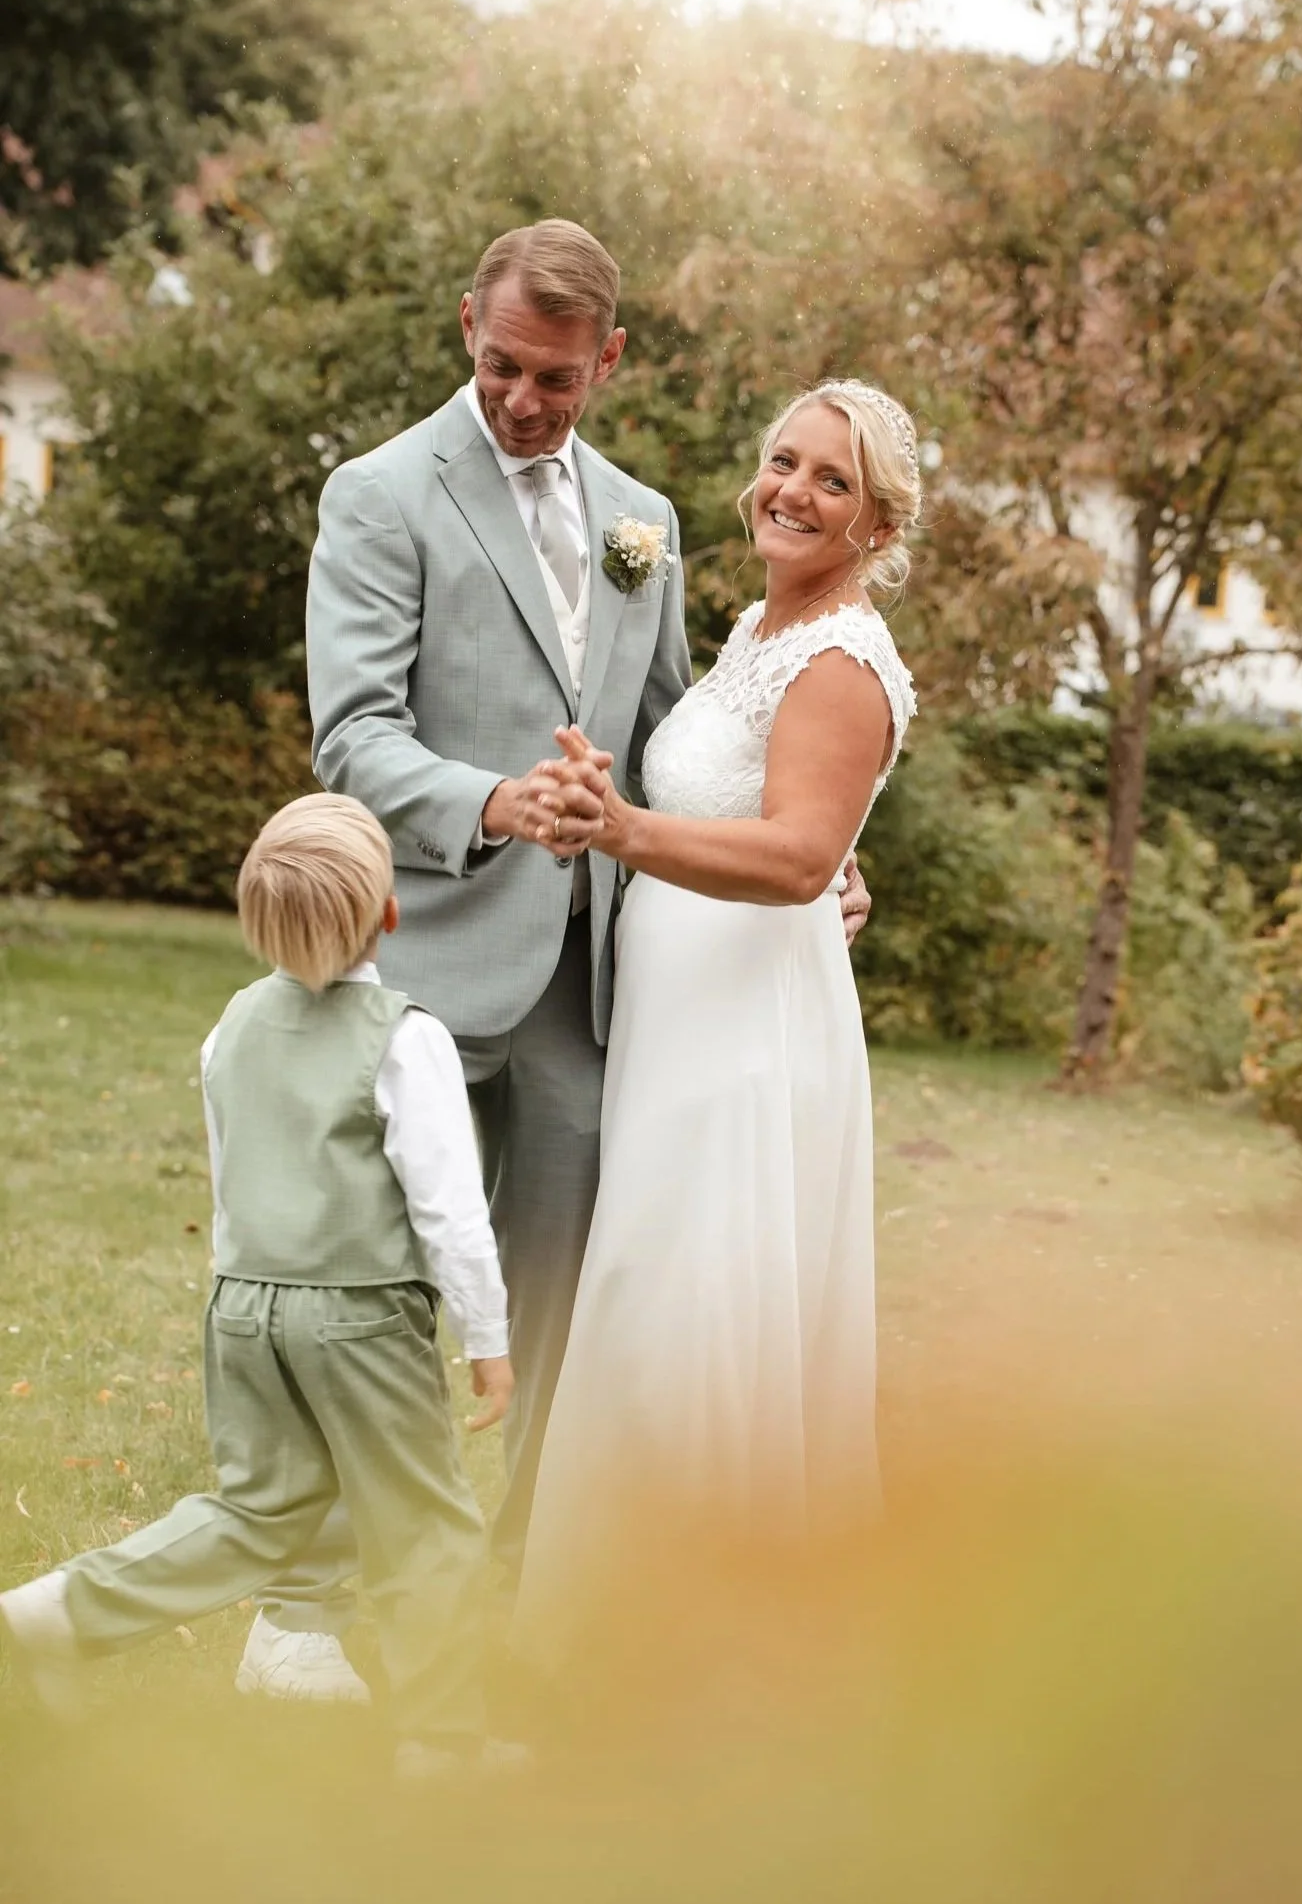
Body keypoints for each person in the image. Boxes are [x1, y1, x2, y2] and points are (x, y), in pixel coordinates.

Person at [265, 219, 871, 1701]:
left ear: (607, 360)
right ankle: (314, 1607)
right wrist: (488, 799)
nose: (523, 401)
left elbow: (673, 744)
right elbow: (349, 731)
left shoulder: (643, 520)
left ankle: (497, 1596)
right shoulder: (379, 493)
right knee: (377, 1291)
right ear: (466, 321)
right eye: (497, 366)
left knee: (555, 1305)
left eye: (553, 377)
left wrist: (813, 857)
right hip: (418, 961)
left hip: (590, 1002)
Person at [509, 379, 919, 1664]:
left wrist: (622, 828)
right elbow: (782, 823)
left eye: (832, 480)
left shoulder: (843, 657)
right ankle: (622, 1632)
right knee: (652, 1303)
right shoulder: (757, 625)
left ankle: (684, 1660)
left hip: (745, 1044)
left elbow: (799, 854)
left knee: (691, 1313)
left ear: (876, 525)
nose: (792, 490)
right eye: (784, 462)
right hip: (682, 1024)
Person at [0, 794, 518, 1778]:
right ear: (391, 912)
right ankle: (443, 1746)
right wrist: (487, 1341)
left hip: (243, 1304)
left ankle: (65, 1607)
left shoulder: (227, 1026)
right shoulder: (405, 1040)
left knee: (258, 1510)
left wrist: (242, 1293)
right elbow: (450, 1211)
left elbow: (228, 1169)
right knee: (427, 1526)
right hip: (361, 1314)